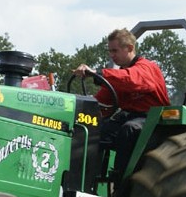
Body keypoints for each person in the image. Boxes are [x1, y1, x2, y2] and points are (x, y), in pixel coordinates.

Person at [72, 28, 170, 183]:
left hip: (152, 120)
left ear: (129, 48)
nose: (111, 55)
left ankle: (121, 181)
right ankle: (84, 177)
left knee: (129, 129)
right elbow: (102, 102)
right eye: (110, 51)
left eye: (115, 51)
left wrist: (98, 73)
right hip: (128, 116)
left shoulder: (147, 68)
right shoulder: (120, 76)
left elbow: (133, 80)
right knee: (93, 130)